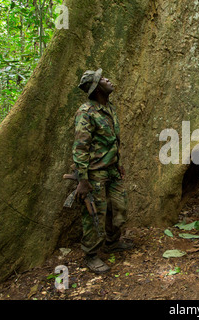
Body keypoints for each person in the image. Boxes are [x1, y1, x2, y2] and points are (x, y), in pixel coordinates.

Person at [73, 68, 132, 274]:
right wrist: (82, 179)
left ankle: (112, 242)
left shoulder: (109, 108)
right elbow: (80, 147)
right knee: (94, 215)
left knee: (119, 207)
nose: (108, 79)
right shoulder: (86, 112)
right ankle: (91, 254)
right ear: (97, 87)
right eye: (104, 79)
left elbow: (113, 141)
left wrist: (118, 163)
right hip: (94, 173)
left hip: (112, 170)